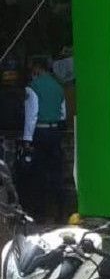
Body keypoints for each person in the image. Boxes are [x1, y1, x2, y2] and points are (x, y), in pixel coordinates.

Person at [23, 60, 66, 223]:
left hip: (40, 132)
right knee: (56, 172)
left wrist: (27, 139)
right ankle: (61, 212)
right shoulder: (59, 87)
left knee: (38, 173)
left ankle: (40, 213)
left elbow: (31, 115)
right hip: (55, 132)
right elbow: (62, 114)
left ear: (37, 68)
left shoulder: (33, 87)